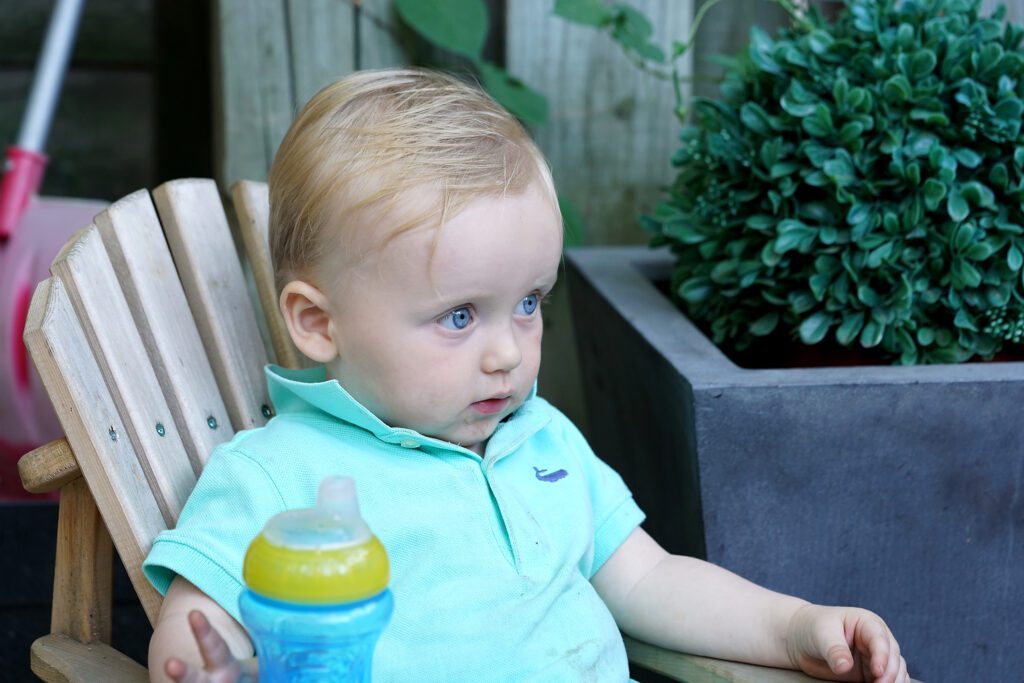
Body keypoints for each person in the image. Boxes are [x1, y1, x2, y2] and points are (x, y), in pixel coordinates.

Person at [144, 68, 909, 683]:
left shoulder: (541, 441)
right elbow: (196, 622)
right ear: (318, 323)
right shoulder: (280, 478)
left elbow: (649, 582)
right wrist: (221, 669)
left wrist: (794, 625)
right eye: (458, 316)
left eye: (528, 303)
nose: (507, 352)